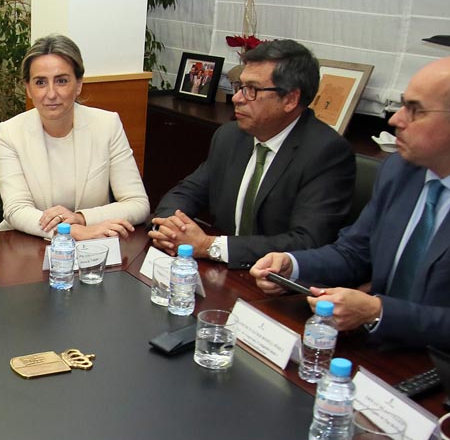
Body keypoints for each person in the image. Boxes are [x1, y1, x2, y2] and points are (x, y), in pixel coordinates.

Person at [251, 53, 450, 381]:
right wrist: (292, 264)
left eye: (415, 110)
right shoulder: (401, 169)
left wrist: (377, 311)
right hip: (385, 351)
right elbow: (354, 252)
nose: (395, 120)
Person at [149, 39, 355, 269]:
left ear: (290, 99)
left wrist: (211, 246)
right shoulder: (230, 136)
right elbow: (187, 192)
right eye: (239, 86)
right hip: (223, 273)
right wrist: (169, 227)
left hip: (276, 285)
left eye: (252, 90)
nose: (237, 98)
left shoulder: (326, 153)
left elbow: (307, 241)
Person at [0, 34, 150, 240]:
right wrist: (71, 231)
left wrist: (82, 218)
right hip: (28, 244)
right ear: (28, 89)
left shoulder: (107, 125)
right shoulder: (10, 132)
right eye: (40, 82)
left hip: (94, 243)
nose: (51, 93)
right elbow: (15, 209)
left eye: (61, 81)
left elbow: (138, 203)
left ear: (78, 84)